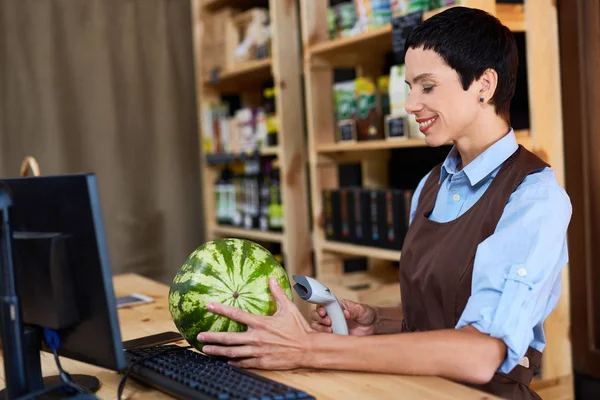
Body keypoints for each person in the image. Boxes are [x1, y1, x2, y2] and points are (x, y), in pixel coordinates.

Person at [195, 6, 572, 400]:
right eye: (410, 87)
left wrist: (310, 349)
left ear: (484, 84)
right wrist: (379, 321)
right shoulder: (432, 184)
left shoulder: (533, 198)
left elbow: (481, 354)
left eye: (427, 87)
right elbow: (444, 315)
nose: (410, 105)